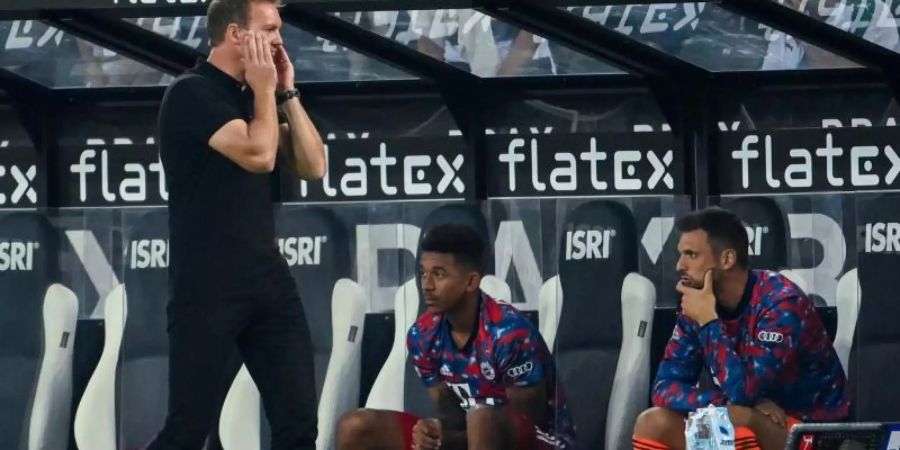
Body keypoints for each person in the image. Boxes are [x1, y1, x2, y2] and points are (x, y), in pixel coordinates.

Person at [154, 0, 326, 448]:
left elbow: (313, 166)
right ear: (236, 35)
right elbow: (260, 155)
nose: (279, 40)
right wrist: (266, 92)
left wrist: (286, 92)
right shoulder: (192, 93)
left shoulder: (258, 96)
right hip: (207, 287)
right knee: (187, 431)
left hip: (267, 280)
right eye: (269, 30)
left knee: (299, 424)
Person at [335, 224, 576, 450]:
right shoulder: (422, 336)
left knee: (483, 418)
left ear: (471, 281)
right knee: (355, 427)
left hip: (541, 442)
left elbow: (526, 423)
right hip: (471, 437)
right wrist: (432, 432)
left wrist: (455, 436)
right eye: (423, 273)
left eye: (438, 275)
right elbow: (451, 418)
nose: (426, 285)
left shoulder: (511, 334)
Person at [632, 207, 850, 450]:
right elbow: (664, 388)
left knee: (736, 420)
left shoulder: (781, 303)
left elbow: (743, 392)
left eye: (691, 254)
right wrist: (724, 401)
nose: (679, 265)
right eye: (680, 254)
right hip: (749, 418)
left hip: (813, 435)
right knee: (652, 422)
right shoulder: (697, 303)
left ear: (727, 259)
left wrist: (708, 321)